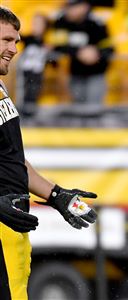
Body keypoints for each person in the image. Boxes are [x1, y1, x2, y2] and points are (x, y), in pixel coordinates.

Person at [0, 7, 98, 300]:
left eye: (16, 41)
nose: (13, 49)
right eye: (5, 40)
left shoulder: (2, 88)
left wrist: (56, 195)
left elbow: (11, 158)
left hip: (12, 229)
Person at [51, 0, 114, 105]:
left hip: (96, 72)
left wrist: (96, 52)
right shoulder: (62, 21)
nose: (68, 10)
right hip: (74, 73)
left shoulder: (97, 22)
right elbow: (57, 46)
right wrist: (78, 52)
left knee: (94, 108)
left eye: (72, 6)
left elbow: (109, 48)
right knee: (78, 107)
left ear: (84, 6)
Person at [16, 13, 52, 116]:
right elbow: (20, 37)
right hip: (25, 71)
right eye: (34, 23)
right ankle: (23, 113)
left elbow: (52, 61)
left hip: (38, 72)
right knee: (23, 91)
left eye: (39, 24)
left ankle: (31, 113)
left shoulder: (46, 42)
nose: (36, 26)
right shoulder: (29, 39)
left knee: (35, 91)